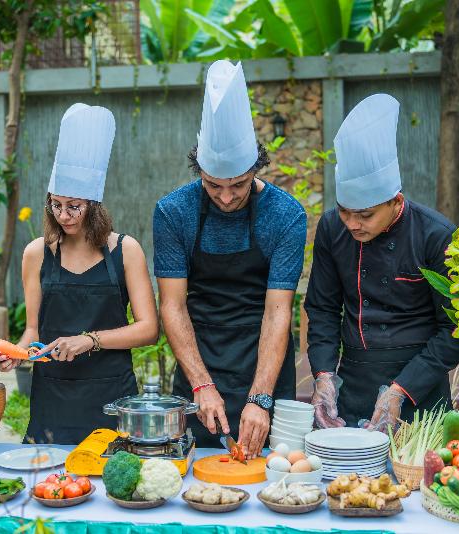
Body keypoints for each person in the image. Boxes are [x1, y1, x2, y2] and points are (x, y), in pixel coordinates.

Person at [154, 60, 308, 458]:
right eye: (212, 185)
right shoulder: (173, 212)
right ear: (198, 170)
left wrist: (260, 398)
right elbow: (172, 305)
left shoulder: (286, 215)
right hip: (198, 358)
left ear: (256, 166)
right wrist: (201, 385)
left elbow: (278, 312)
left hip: (265, 361)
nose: (225, 197)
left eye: (237, 185)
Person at [0, 103, 158, 444]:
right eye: (56, 204)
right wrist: (16, 355)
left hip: (112, 396)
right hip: (52, 397)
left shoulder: (126, 250)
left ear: (94, 204)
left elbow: (148, 329)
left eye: (74, 207)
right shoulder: (37, 253)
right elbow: (34, 329)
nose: (63, 215)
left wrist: (90, 340)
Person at [305, 94, 459, 432]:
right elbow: (322, 309)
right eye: (345, 210)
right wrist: (323, 376)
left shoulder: (437, 236)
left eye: (365, 214)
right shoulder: (331, 228)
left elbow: (453, 331)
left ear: (395, 201)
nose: (351, 223)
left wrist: (399, 391)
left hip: (419, 386)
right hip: (352, 386)